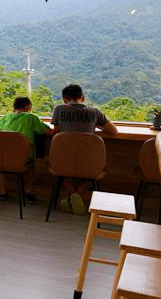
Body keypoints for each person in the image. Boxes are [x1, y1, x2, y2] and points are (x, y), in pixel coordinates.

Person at [50, 84, 119, 215]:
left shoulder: (58, 109)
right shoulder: (95, 112)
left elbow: (56, 132)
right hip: (89, 162)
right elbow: (113, 132)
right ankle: (78, 194)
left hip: (64, 160)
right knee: (96, 172)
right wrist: (96, 125)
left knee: (59, 171)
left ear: (65, 99)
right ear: (83, 97)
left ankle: (72, 194)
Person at [0, 96, 51, 204]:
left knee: (1, 164)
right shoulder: (31, 117)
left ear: (14, 107)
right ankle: (28, 192)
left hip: (5, 155)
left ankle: (2, 192)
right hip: (23, 158)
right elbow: (47, 131)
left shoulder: (7, 116)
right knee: (31, 164)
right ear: (28, 107)